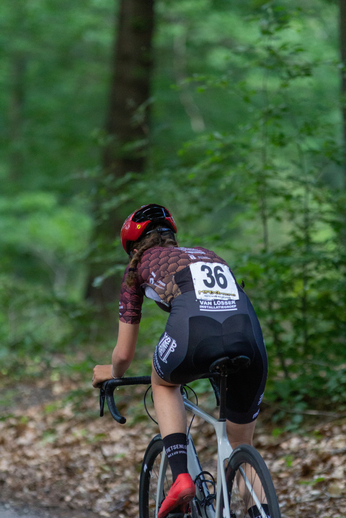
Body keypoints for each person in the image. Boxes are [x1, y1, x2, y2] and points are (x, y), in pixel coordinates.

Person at [92, 204, 268, 518]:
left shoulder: (139, 266)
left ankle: (181, 478)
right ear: (172, 236)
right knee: (241, 446)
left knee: (163, 381)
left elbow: (123, 355)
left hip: (196, 333)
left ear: (133, 246)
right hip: (248, 336)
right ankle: (263, 511)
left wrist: (110, 372)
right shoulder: (207, 254)